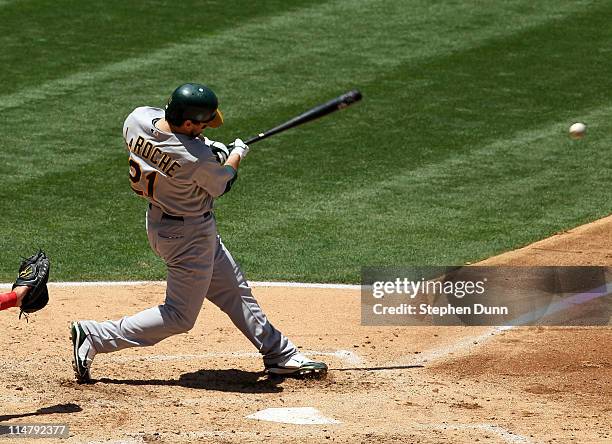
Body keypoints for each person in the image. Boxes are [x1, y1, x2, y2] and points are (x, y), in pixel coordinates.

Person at [70, 83, 327, 382]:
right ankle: (94, 336)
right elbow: (223, 182)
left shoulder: (137, 119)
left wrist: (208, 147)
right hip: (186, 235)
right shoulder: (194, 158)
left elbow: (174, 139)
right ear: (189, 122)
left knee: (233, 288)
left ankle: (279, 354)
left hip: (162, 222)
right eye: (202, 124)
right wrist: (235, 154)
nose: (205, 128)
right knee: (180, 316)